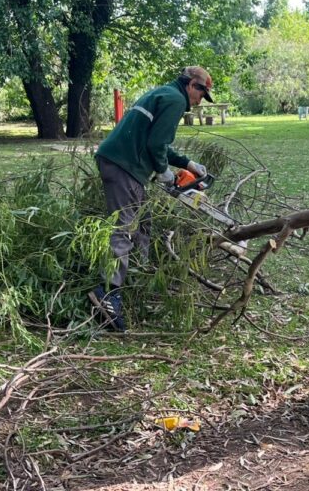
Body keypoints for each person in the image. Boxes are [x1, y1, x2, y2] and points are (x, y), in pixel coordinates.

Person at [88, 66, 214, 331]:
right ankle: (108, 294)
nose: (200, 101)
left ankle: (139, 278)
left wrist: (187, 163)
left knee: (143, 223)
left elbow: (159, 143)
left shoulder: (164, 93)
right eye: (202, 94)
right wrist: (164, 173)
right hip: (124, 165)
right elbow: (156, 146)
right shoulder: (176, 100)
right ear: (193, 85)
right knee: (124, 227)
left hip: (124, 163)